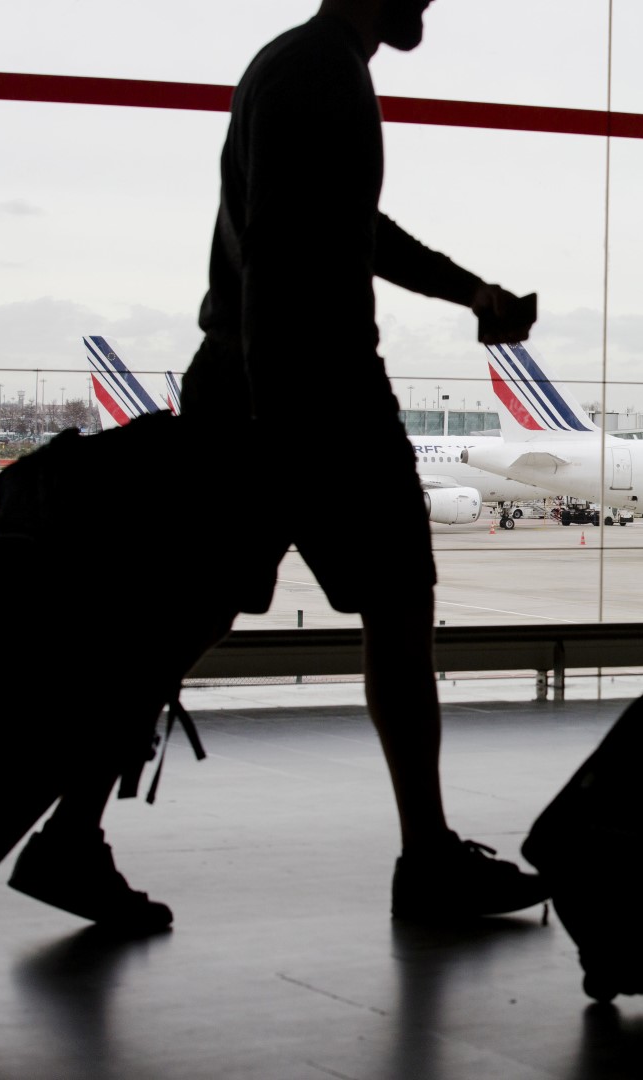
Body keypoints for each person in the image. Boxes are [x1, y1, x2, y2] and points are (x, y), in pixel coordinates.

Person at [177, 0, 544, 922]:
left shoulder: (306, 64)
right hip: (311, 382)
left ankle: (69, 835)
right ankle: (427, 859)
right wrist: (279, 406)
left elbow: (348, 228)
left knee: (182, 615)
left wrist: (470, 291)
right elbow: (277, 245)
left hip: (268, 376)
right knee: (399, 602)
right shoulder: (319, 70)